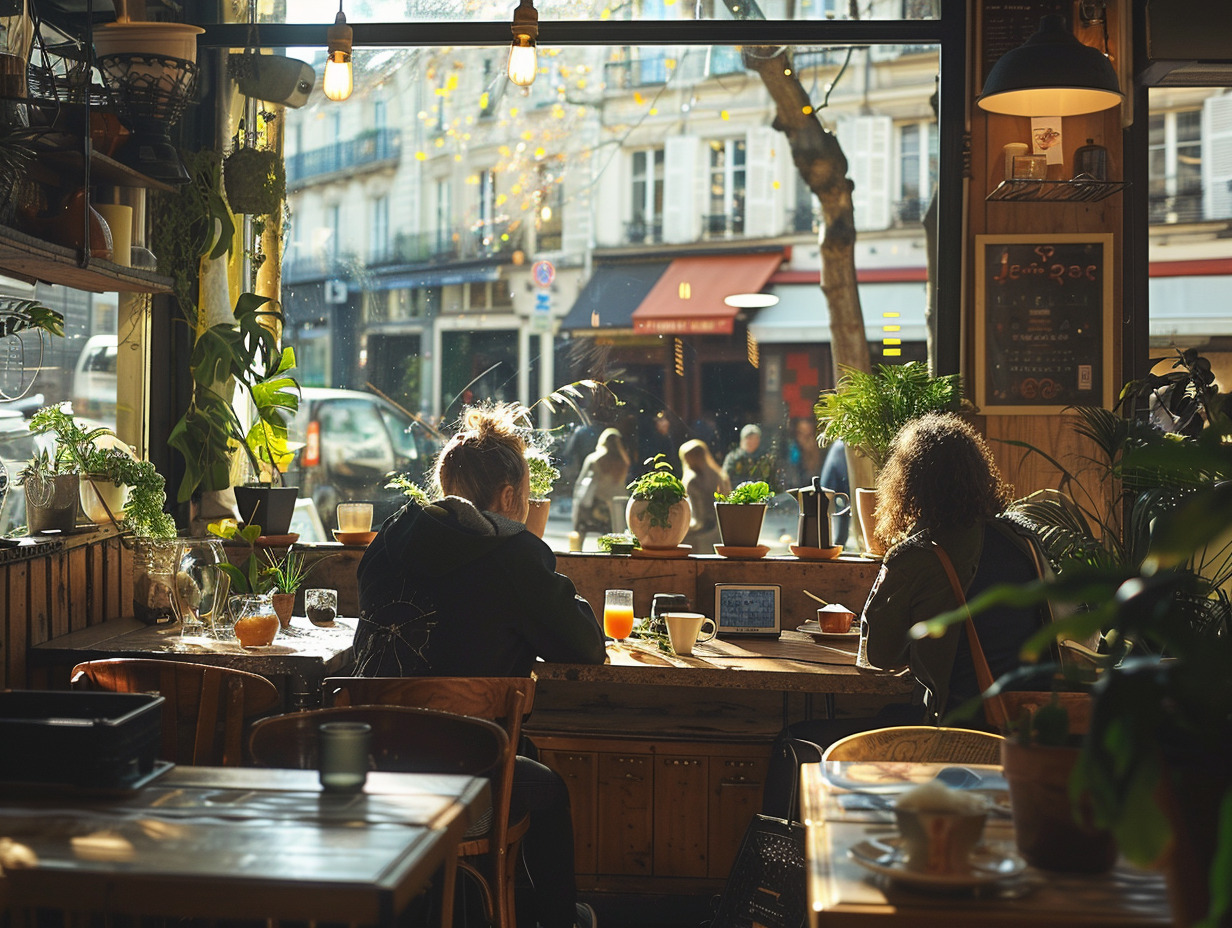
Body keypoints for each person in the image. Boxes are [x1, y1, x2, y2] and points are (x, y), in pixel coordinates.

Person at [353, 402, 606, 928]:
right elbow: (586, 646)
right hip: (463, 774)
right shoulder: (513, 554)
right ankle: (556, 919)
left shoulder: (388, 542)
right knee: (548, 790)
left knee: (524, 753)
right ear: (510, 495)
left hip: (369, 765)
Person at [762, 413, 1051, 817]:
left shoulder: (918, 555)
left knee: (798, 739)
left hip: (952, 743)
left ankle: (790, 873)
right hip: (1027, 741)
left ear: (908, 484)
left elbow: (879, 655)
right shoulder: (1024, 542)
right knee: (888, 715)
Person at [572, 427, 631, 547]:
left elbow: (581, 483)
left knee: (580, 517)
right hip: (616, 508)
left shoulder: (594, 459)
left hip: (595, 507)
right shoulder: (624, 461)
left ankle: (577, 547)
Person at [679, 438, 730, 552]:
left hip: (704, 529)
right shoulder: (719, 475)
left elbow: (699, 519)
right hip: (720, 529)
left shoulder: (693, 481)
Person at [722, 423, 778, 490]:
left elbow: (771, 478)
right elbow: (724, 478)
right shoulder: (733, 458)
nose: (752, 441)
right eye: (749, 438)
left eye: (756, 438)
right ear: (742, 440)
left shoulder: (763, 458)